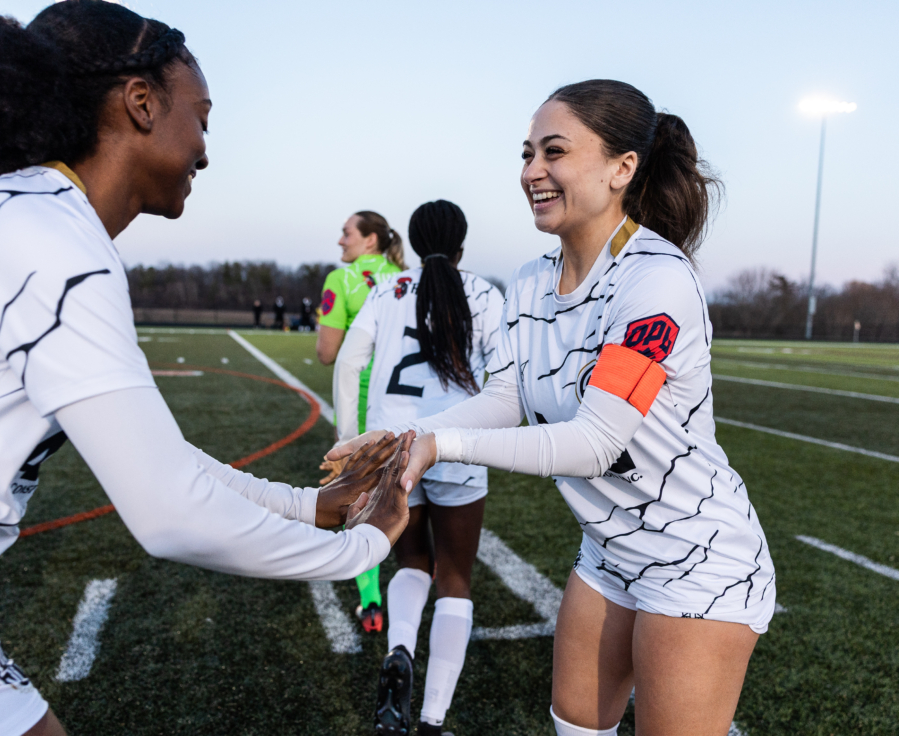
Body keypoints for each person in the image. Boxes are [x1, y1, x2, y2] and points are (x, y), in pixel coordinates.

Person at [0, 4, 412, 735]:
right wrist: (363, 548)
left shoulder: (28, 215)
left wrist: (305, 504)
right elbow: (170, 512)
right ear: (141, 103)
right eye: (203, 119)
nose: (206, 151)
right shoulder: (49, 239)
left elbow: (155, 459)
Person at [331, 80, 776, 736]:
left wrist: (439, 447)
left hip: (694, 556)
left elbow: (596, 441)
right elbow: (505, 400)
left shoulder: (656, 280)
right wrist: (400, 437)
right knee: (573, 724)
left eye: (555, 151)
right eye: (527, 152)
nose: (532, 171)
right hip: (609, 550)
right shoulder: (532, 280)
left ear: (622, 168)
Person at [333, 200, 503, 736]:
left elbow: (347, 361)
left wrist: (348, 442)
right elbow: (505, 380)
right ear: (461, 246)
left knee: (411, 566)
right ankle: (431, 720)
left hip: (391, 450)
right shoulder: (483, 293)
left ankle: (400, 651)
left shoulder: (386, 291)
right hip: (455, 447)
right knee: (455, 579)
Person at [316, 210, 406, 633]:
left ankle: (371, 603)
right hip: (409, 409)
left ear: (370, 240)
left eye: (347, 233)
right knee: (411, 499)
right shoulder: (406, 277)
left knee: (360, 505)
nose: (340, 241)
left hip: (362, 410)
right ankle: (420, 584)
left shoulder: (342, 280)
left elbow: (327, 353)